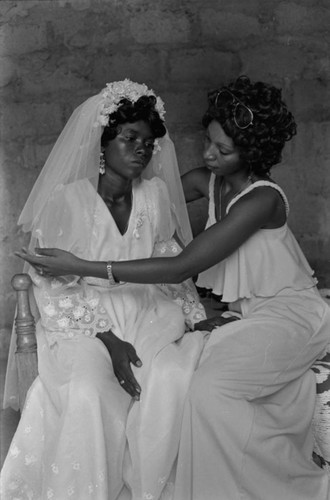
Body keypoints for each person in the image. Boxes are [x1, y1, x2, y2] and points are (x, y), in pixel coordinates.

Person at [19, 75, 330, 499]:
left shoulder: (263, 200)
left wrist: (84, 265)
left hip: (291, 314)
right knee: (182, 377)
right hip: (248, 314)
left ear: (251, 153)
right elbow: (146, 200)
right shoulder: (208, 181)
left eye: (223, 150)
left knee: (203, 389)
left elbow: (181, 263)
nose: (208, 154)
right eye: (208, 142)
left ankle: (276, 485)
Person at [0, 80, 208, 500]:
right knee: (88, 392)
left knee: (170, 378)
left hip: (147, 311)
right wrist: (108, 338)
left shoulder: (154, 195)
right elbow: (50, 281)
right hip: (82, 321)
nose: (141, 150)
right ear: (102, 143)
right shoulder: (67, 200)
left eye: (148, 143)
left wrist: (198, 314)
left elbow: (169, 260)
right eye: (129, 138)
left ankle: (150, 487)